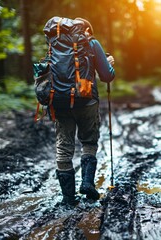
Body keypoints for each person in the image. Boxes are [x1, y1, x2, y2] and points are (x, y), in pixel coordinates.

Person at [54, 17, 115, 206]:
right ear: (88, 30)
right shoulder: (91, 43)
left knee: (64, 147)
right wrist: (109, 63)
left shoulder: (57, 43)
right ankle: (87, 183)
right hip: (87, 100)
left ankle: (68, 198)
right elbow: (107, 76)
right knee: (89, 141)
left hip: (61, 101)